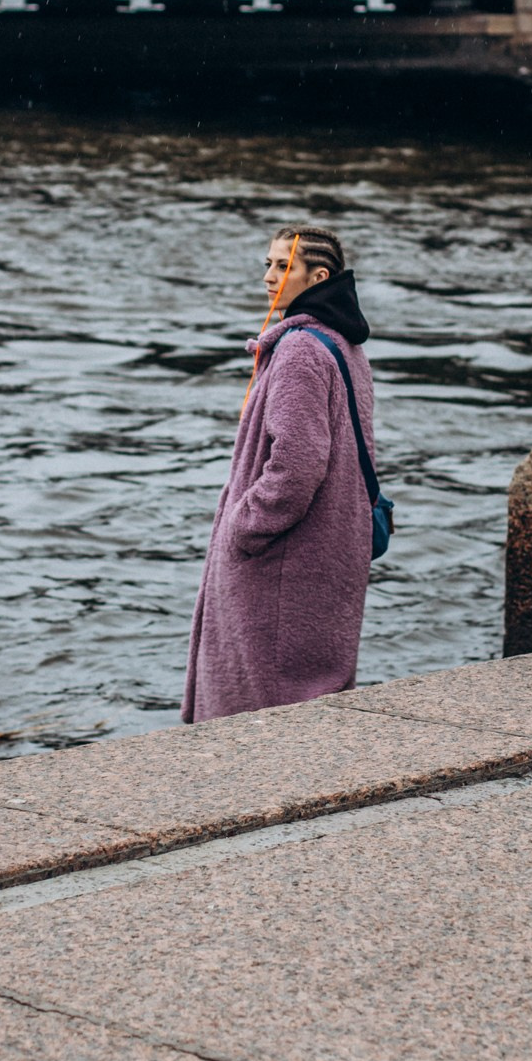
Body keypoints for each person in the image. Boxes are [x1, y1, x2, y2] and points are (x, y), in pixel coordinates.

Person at [182, 225, 378, 723]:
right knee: (309, 688)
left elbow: (298, 463)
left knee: (258, 700)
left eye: (282, 266)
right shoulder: (345, 343)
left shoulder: (299, 350)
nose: (269, 276)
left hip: (283, 555)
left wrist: (243, 526)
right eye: (267, 264)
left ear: (319, 276)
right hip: (329, 544)